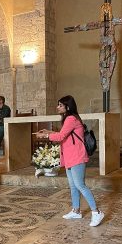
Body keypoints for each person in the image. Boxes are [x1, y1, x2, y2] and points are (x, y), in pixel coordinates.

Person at [36, 95, 104, 227]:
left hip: (76, 156)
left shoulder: (71, 118)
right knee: (73, 186)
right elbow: (65, 133)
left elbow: (61, 136)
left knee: (80, 185)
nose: (58, 107)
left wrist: (45, 135)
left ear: (67, 107)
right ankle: (76, 210)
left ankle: (97, 212)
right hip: (70, 156)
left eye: (60, 105)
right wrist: (49, 131)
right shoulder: (68, 119)